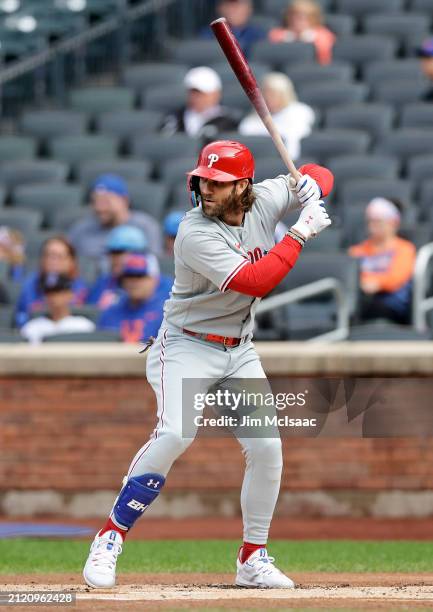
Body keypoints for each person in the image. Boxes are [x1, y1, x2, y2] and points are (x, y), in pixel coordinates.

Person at [83, 139, 333, 590]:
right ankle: (109, 536)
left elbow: (318, 170)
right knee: (177, 432)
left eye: (218, 182)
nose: (207, 188)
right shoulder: (194, 231)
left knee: (266, 448)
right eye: (203, 180)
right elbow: (256, 281)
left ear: (244, 185)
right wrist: (300, 232)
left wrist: (313, 187)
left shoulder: (267, 198)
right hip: (185, 345)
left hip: (239, 348)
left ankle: (252, 557)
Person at [349, 198, 416, 325]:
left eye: (378, 222)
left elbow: (396, 278)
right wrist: (366, 283)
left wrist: (376, 283)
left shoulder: (404, 248)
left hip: (392, 303)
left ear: (393, 223)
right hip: (363, 299)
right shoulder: (357, 250)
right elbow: (350, 276)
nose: (372, 227)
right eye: (370, 222)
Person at [68, 175, 162, 259]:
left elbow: (153, 266)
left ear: (124, 200)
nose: (99, 208)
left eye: (106, 201)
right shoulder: (80, 230)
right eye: (94, 201)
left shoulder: (145, 226)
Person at [239, 72, 315, 159]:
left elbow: (299, 133)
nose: (267, 98)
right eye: (265, 94)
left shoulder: (300, 111)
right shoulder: (251, 120)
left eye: (273, 94)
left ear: (285, 94)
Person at [15, 236, 87, 328]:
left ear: (71, 261)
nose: (53, 261)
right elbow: (22, 316)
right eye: (48, 255)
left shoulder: (80, 287)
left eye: (59, 256)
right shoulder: (30, 285)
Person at [97, 253, 169, 343]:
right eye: (129, 276)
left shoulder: (166, 315)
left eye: (140, 276)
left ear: (155, 279)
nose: (133, 281)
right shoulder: (110, 313)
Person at [160, 66, 241, 138]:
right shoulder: (174, 118)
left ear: (216, 94)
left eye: (201, 93)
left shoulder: (228, 120)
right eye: (192, 92)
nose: (195, 97)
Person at [20, 273, 95, 344]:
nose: (53, 297)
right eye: (49, 292)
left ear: (70, 294)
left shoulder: (84, 326)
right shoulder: (32, 327)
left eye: (58, 291)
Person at [87, 225, 148, 309]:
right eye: (111, 253)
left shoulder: (151, 285)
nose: (114, 258)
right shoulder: (103, 282)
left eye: (119, 253)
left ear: (138, 254)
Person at [269, 0, 335, 65]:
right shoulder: (276, 34)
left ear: (314, 17)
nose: (298, 19)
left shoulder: (323, 35)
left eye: (305, 16)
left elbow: (325, 60)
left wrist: (305, 36)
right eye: (294, 15)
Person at [200, 0, 266, 58]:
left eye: (237, 6)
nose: (233, 10)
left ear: (249, 9)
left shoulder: (259, 35)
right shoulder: (209, 34)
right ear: (220, 9)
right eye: (228, 5)